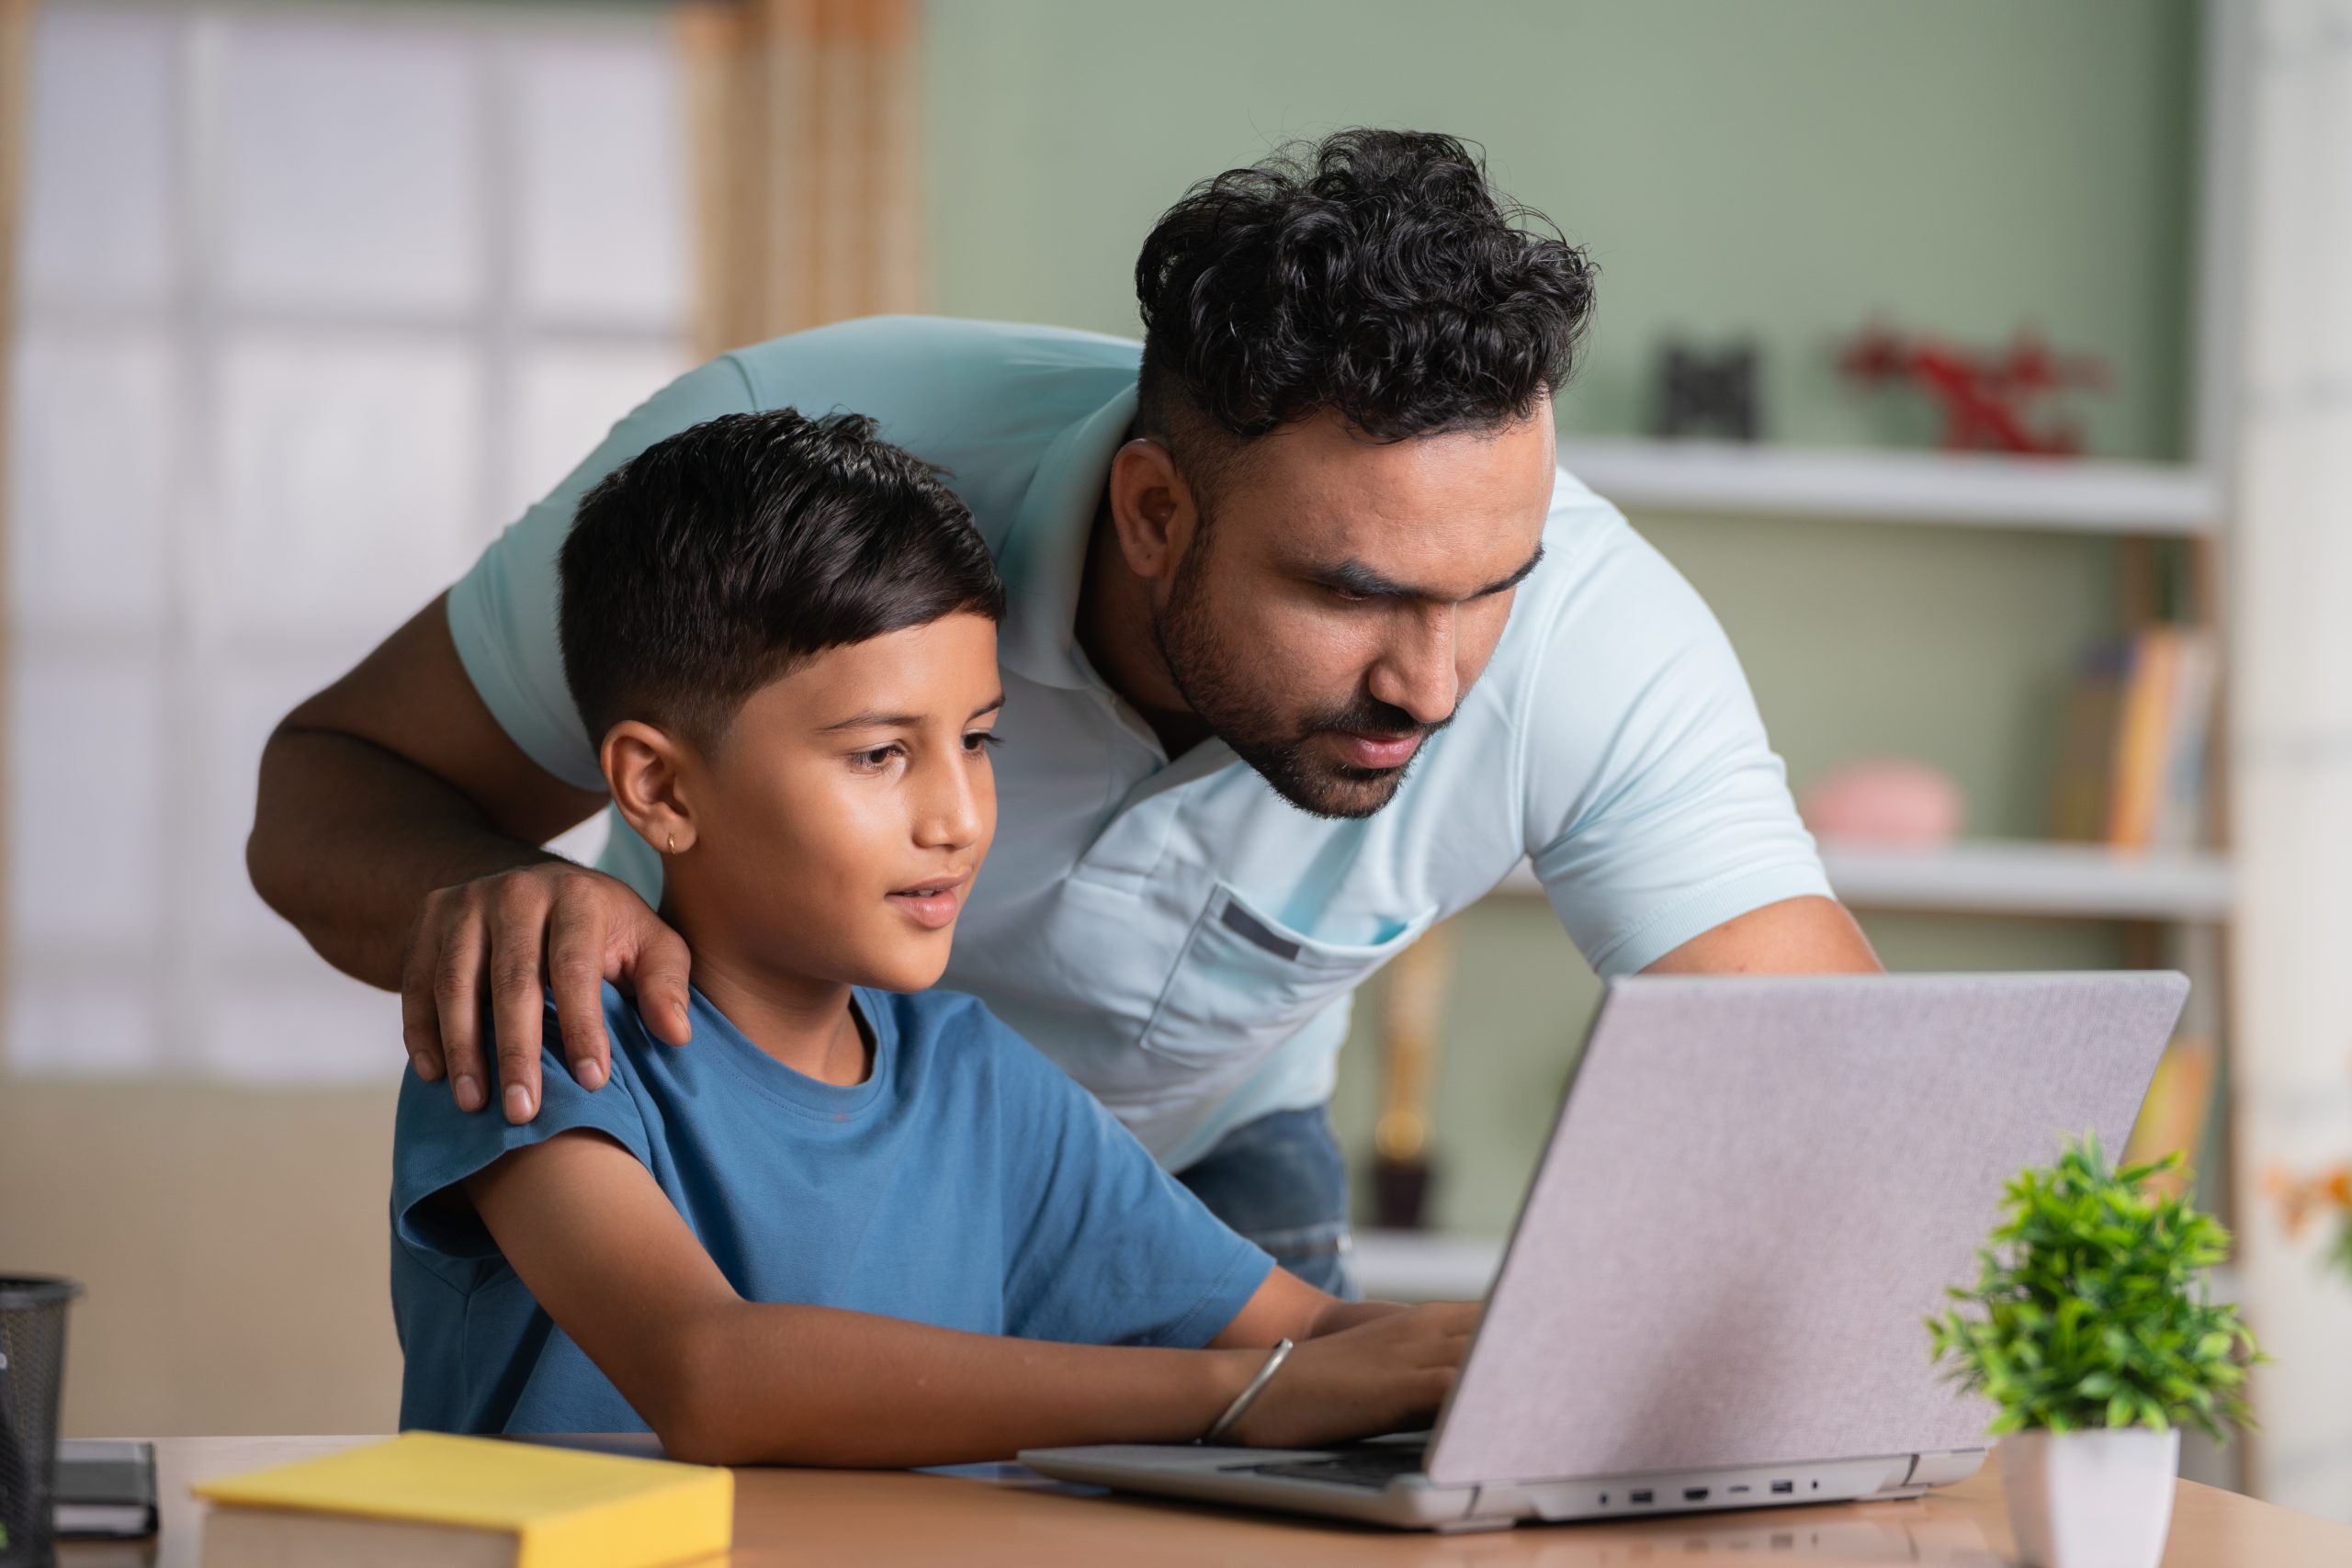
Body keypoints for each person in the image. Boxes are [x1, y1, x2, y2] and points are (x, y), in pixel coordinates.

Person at [254, 129, 1877, 1298]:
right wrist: (499, 901)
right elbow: (330, 783)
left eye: (1488, 587)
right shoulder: (773, 476)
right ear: (1155, 513)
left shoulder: (1596, 634)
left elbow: (1827, 1077)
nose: (1433, 681)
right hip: (732, 1145)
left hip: (1192, 1198)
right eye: (1352, 592)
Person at [392, 408, 1473, 1463]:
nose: (956, 818)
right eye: (878, 755)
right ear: (660, 787)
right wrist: (1238, 1396)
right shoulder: (541, 1032)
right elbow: (711, 1376)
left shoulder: (979, 1083)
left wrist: (1529, 1358)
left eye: (976, 739)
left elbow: (1311, 1334)